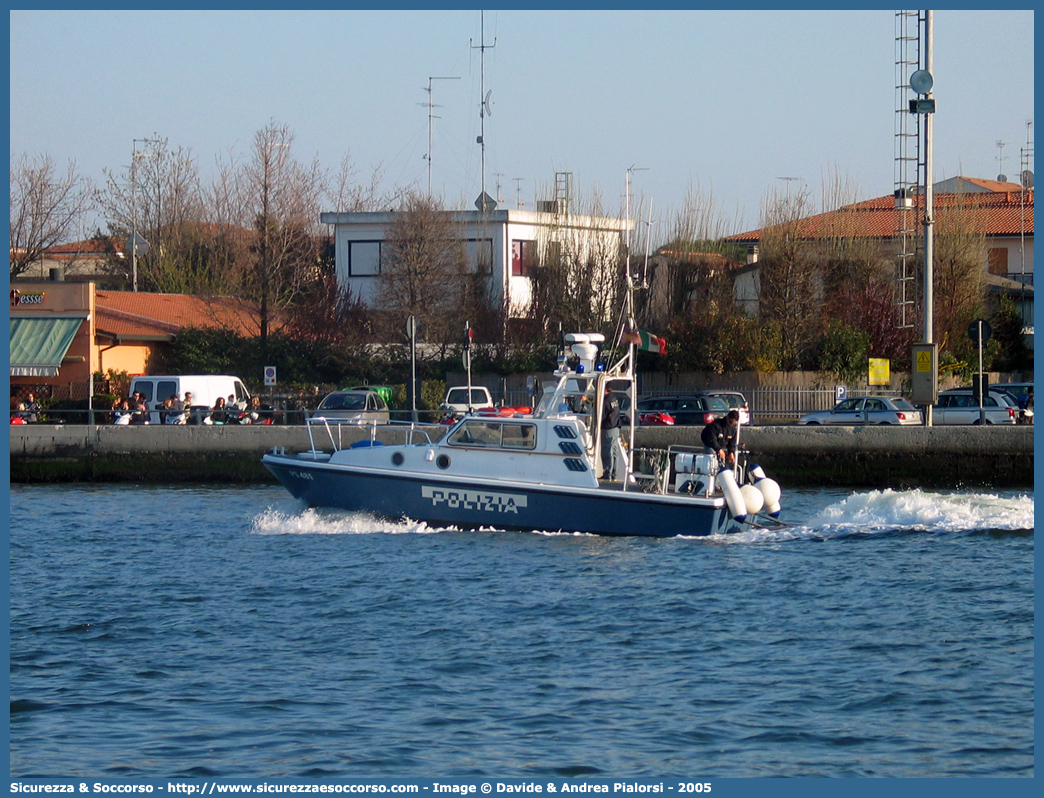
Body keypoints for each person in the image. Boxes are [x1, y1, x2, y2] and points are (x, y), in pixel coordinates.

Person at [600, 384, 622, 481]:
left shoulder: (605, 401)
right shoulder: (613, 399)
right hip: (616, 427)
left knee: (606, 451)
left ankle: (607, 474)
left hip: (608, 428)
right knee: (614, 452)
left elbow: (602, 415)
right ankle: (614, 474)